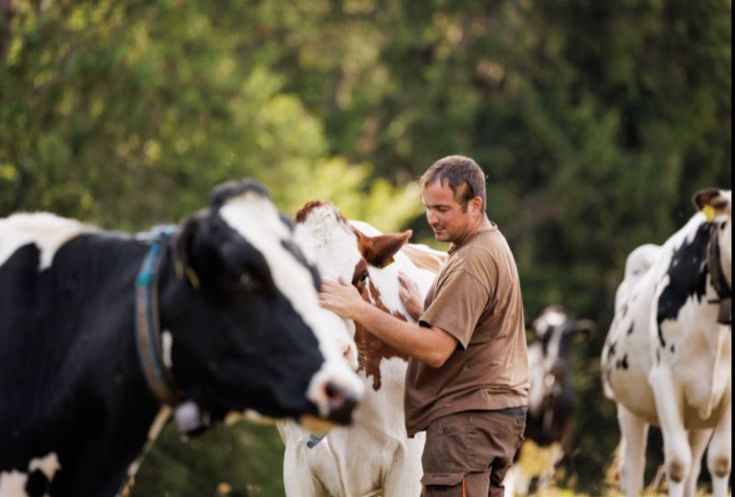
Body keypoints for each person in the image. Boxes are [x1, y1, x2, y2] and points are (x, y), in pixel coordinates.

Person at [319, 154, 529, 497]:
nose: (432, 218)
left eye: (443, 209)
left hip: (467, 421)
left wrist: (360, 309)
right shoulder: (487, 245)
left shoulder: (471, 262)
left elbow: (435, 350)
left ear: (475, 204)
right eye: (428, 208)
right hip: (494, 415)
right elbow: (471, 327)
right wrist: (429, 310)